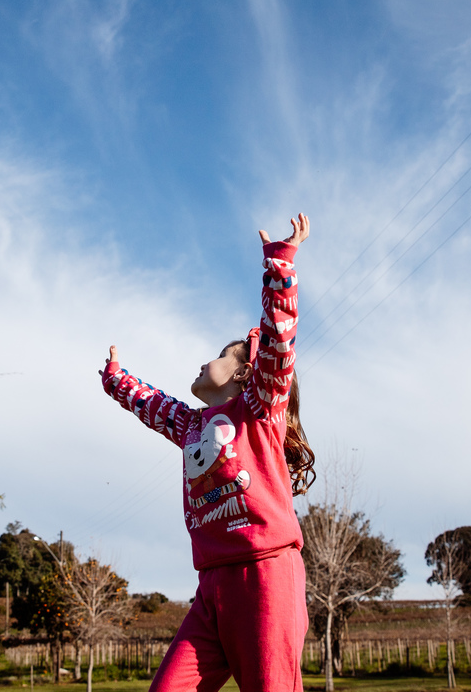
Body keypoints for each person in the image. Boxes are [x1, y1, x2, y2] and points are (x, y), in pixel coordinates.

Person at [99, 212, 315, 692]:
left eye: (220, 354)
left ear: (244, 373)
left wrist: (280, 265)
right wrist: (115, 377)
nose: (204, 360)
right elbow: (150, 404)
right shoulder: (191, 424)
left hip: (264, 578)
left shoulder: (260, 407)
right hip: (211, 587)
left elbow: (278, 345)